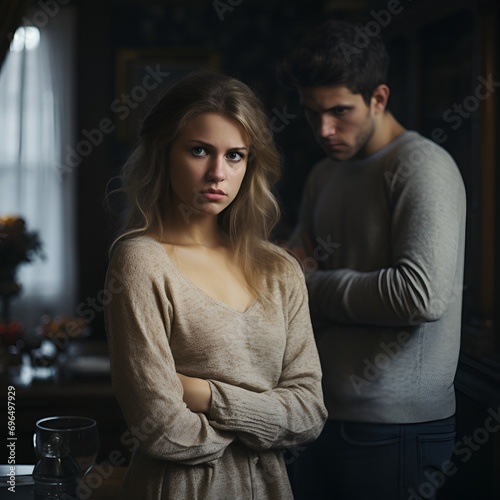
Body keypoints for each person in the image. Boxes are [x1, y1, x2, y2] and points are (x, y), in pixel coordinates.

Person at [104, 71, 327, 500]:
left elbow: (310, 413)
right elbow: (163, 429)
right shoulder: (140, 261)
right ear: (164, 153)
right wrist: (264, 423)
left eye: (235, 156)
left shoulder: (280, 269)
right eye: (199, 150)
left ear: (250, 165)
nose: (217, 173)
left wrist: (201, 392)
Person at [276, 19, 466, 500]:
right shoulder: (325, 173)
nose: (324, 129)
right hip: (317, 413)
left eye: (340, 111)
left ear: (378, 98)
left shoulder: (422, 167)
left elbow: (417, 296)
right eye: (311, 112)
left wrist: (314, 284)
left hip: (396, 427)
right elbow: (286, 274)